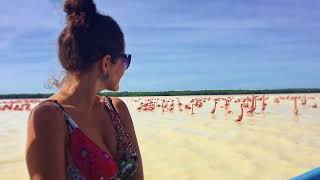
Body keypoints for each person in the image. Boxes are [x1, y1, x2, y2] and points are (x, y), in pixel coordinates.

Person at [25, 0, 143, 179]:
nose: (126, 68)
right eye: (125, 60)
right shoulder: (50, 117)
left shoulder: (117, 109)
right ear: (106, 63)